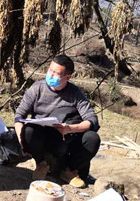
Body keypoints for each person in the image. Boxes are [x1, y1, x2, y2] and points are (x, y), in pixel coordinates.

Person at [14, 55, 101, 188]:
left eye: (56, 73)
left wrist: (71, 128)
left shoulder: (75, 93)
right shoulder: (37, 88)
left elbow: (92, 120)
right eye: (50, 70)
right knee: (28, 131)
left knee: (92, 138)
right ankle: (41, 164)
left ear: (67, 77)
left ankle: (69, 170)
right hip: (42, 135)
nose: (51, 75)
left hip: (65, 136)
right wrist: (21, 139)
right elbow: (19, 115)